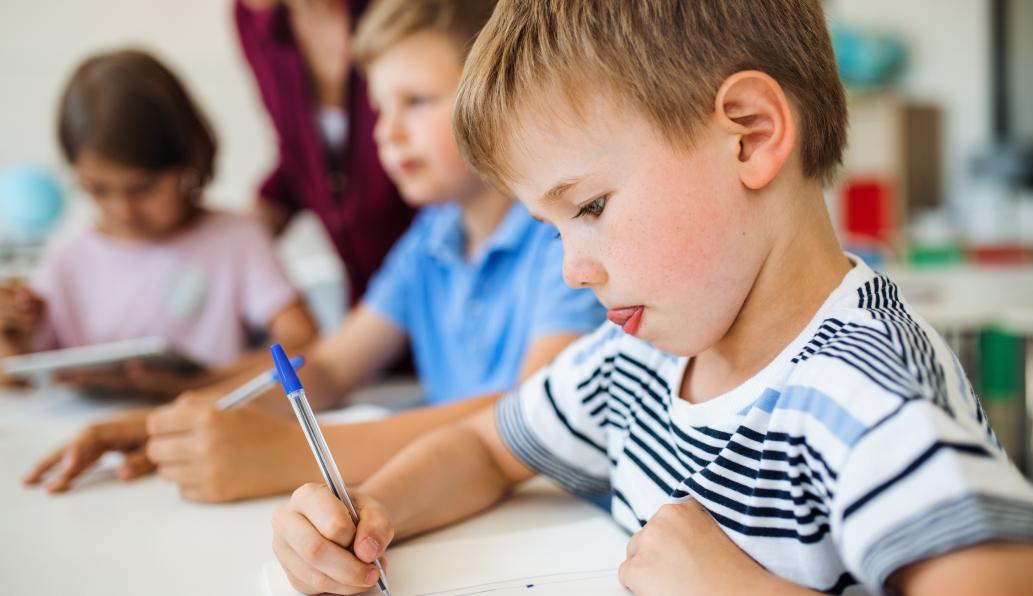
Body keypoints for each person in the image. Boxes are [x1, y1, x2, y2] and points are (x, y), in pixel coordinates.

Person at [270, 1, 1033, 595]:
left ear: (748, 135)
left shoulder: (864, 396)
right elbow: (485, 448)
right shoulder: (635, 358)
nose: (574, 270)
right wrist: (367, 513)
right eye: (551, 229)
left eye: (588, 209)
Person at [25, 0, 605, 504]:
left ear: (493, 98)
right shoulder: (428, 240)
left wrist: (286, 454)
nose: (387, 133)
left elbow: (529, 413)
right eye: (380, 107)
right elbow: (326, 368)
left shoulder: (556, 236)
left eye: (416, 101)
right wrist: (163, 424)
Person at [0, 49, 316, 401]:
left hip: (206, 427)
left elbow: (304, 341)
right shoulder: (66, 259)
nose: (122, 209)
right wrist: (10, 337)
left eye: (143, 188)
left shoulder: (237, 238)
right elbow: (14, 378)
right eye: (97, 188)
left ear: (188, 161)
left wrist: (202, 381)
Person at [236, 0, 413, 305]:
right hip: (368, 295)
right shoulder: (254, 20)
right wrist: (231, 241)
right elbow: (298, 157)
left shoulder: (406, 13)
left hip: (432, 272)